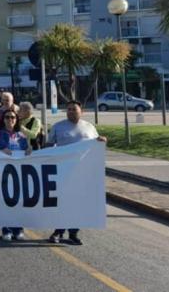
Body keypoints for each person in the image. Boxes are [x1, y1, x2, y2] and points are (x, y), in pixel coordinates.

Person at [47, 101, 107, 245]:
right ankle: (58, 232)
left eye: (74, 109)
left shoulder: (89, 127)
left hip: (83, 173)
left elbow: (96, 145)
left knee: (79, 204)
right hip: (63, 172)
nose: (71, 112)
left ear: (82, 111)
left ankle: (73, 233)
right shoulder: (58, 127)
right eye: (68, 109)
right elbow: (48, 147)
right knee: (63, 203)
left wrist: (102, 140)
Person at [0, 110, 32, 241]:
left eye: (13, 117)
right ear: (3, 119)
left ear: (16, 120)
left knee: (18, 202)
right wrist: (0, 150)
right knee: (5, 201)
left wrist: (29, 150)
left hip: (18, 173)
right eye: (7, 117)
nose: (10, 120)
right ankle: (6, 229)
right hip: (2, 172)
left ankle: (18, 229)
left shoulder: (21, 136)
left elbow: (26, 150)